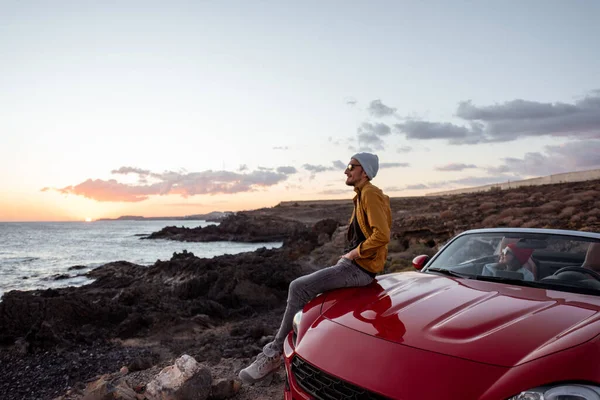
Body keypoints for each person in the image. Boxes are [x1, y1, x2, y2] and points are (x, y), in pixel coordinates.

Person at [238, 152, 392, 384]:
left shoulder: (369, 194)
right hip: (354, 265)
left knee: (298, 288)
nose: (346, 170)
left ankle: (273, 354)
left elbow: (382, 235)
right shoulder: (361, 195)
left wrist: (353, 253)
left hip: (359, 269)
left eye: (351, 166)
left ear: (365, 171)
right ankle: (305, 357)